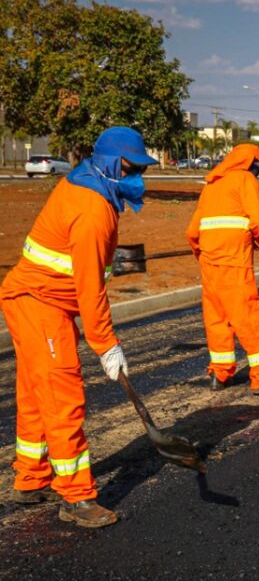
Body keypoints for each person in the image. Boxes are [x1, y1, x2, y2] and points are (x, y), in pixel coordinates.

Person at [0, 126, 158, 528]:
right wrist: (106, 345)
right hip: (40, 302)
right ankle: (76, 497)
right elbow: (90, 290)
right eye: (132, 166)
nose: (138, 173)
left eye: (141, 166)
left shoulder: (90, 183)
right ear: (110, 164)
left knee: (37, 393)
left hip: (39, 299)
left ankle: (31, 479)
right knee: (62, 394)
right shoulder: (92, 209)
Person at [185, 144, 259, 396]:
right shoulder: (245, 179)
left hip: (209, 262)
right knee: (249, 316)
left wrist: (201, 253)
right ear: (251, 163)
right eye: (258, 166)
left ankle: (219, 373)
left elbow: (191, 231)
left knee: (217, 317)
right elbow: (256, 220)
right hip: (234, 261)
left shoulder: (212, 184)